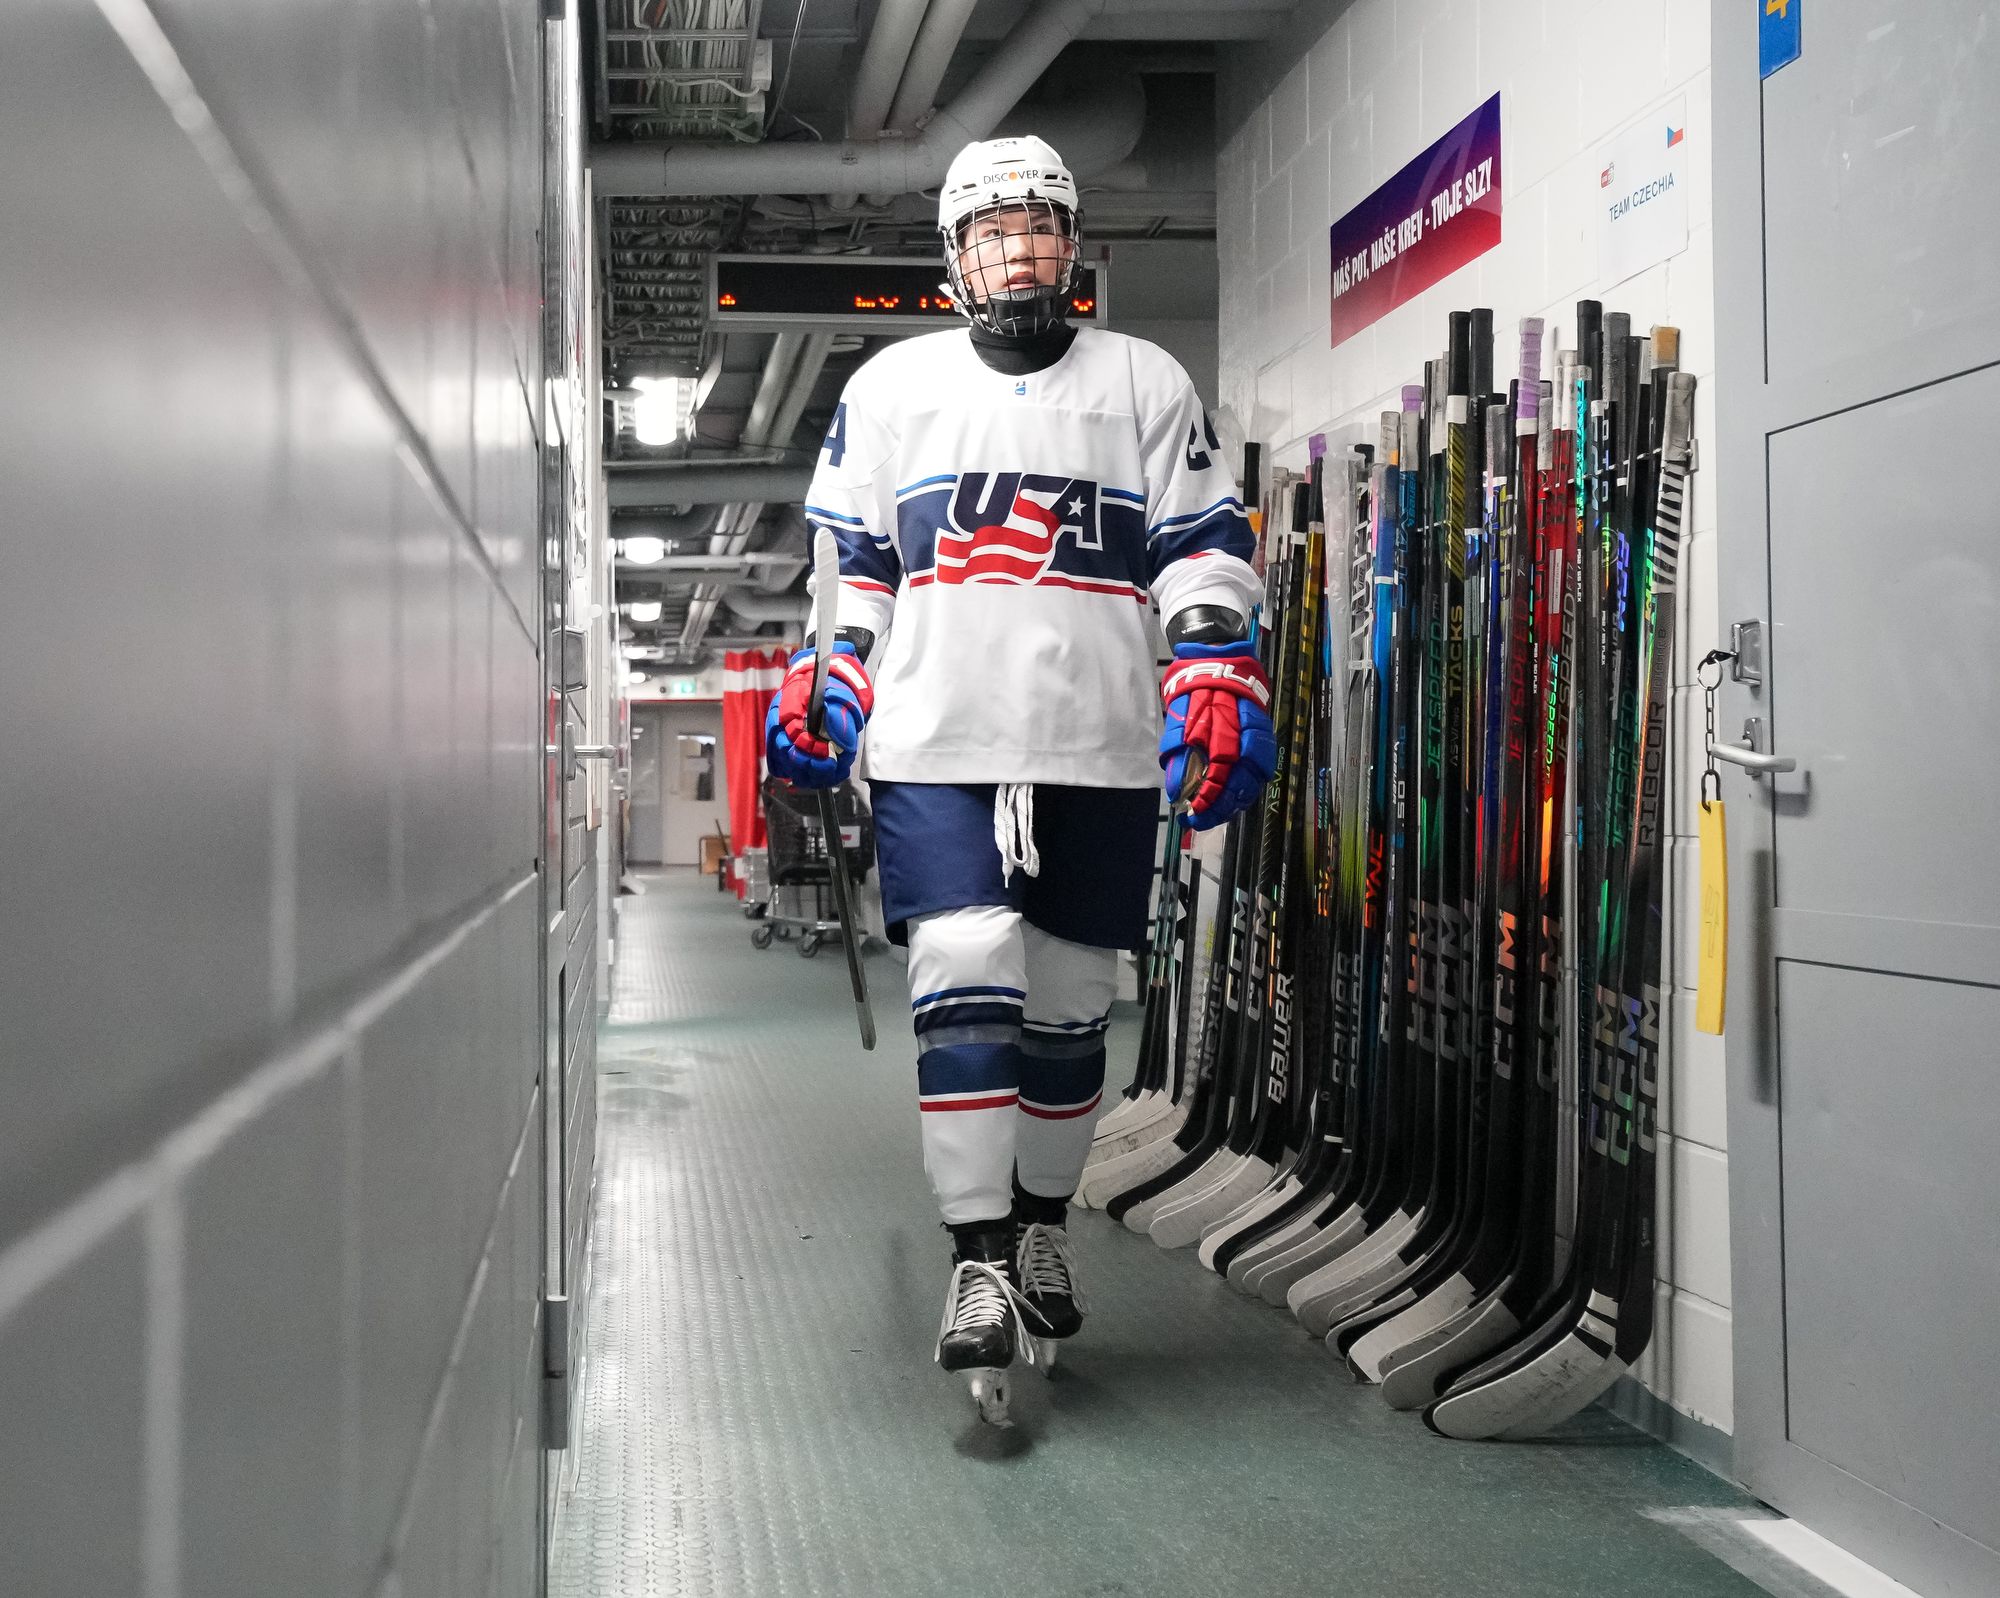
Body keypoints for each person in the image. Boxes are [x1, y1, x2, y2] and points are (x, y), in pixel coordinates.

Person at [766, 135, 1275, 1421]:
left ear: (1071, 240)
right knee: (964, 957)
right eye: (990, 232)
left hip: (1096, 740)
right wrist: (833, 671)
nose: (1017, 251)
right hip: (937, 738)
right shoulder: (892, 388)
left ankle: (1040, 1224)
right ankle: (976, 1256)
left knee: (1067, 999)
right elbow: (856, 566)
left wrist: (1211, 656)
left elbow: (1199, 540)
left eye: (1037, 226)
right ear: (953, 255)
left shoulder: (1142, 379)